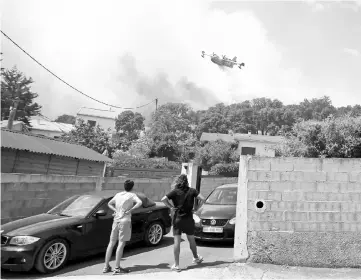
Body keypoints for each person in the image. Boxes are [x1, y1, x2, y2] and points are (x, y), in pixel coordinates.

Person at [161, 174, 206, 272]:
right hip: (188, 218)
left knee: (177, 241)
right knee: (191, 239)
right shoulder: (192, 191)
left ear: (178, 181)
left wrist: (171, 207)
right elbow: (203, 199)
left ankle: (176, 265)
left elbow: (163, 199)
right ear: (186, 181)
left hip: (178, 219)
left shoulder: (175, 192)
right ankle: (196, 258)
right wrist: (197, 208)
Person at [103, 179, 142, 275]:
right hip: (125, 220)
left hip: (116, 220)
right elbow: (139, 203)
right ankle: (117, 268)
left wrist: (115, 210)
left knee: (111, 243)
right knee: (121, 243)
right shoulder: (132, 195)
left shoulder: (118, 195)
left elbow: (109, 203)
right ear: (132, 187)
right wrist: (130, 210)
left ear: (124, 186)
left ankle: (106, 266)